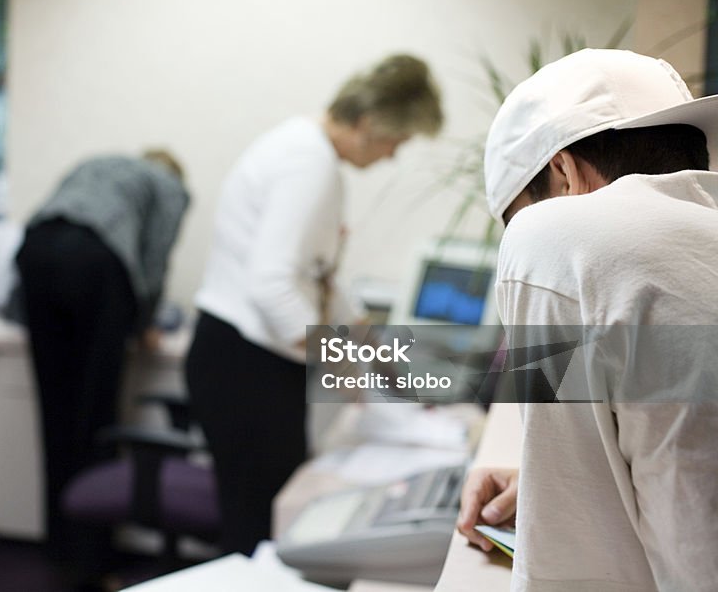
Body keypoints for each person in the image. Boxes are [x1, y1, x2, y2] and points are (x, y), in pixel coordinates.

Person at [457, 48, 718, 591]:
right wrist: (544, 480)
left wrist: (553, 492)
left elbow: (573, 565)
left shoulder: (553, 237)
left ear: (563, 174)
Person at [186, 54, 443, 554]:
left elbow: (316, 279)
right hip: (245, 368)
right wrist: (344, 367)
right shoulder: (309, 162)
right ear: (368, 124)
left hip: (242, 361)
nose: (392, 156)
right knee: (259, 529)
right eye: (397, 141)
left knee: (262, 518)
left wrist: (375, 351)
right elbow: (273, 287)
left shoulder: (307, 153)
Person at [14, 150, 189, 572]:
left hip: (34, 254)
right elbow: (155, 256)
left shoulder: (100, 165)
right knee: (94, 417)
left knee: (55, 412)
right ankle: (92, 562)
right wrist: (145, 320)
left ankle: (58, 550)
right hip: (95, 264)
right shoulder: (170, 186)